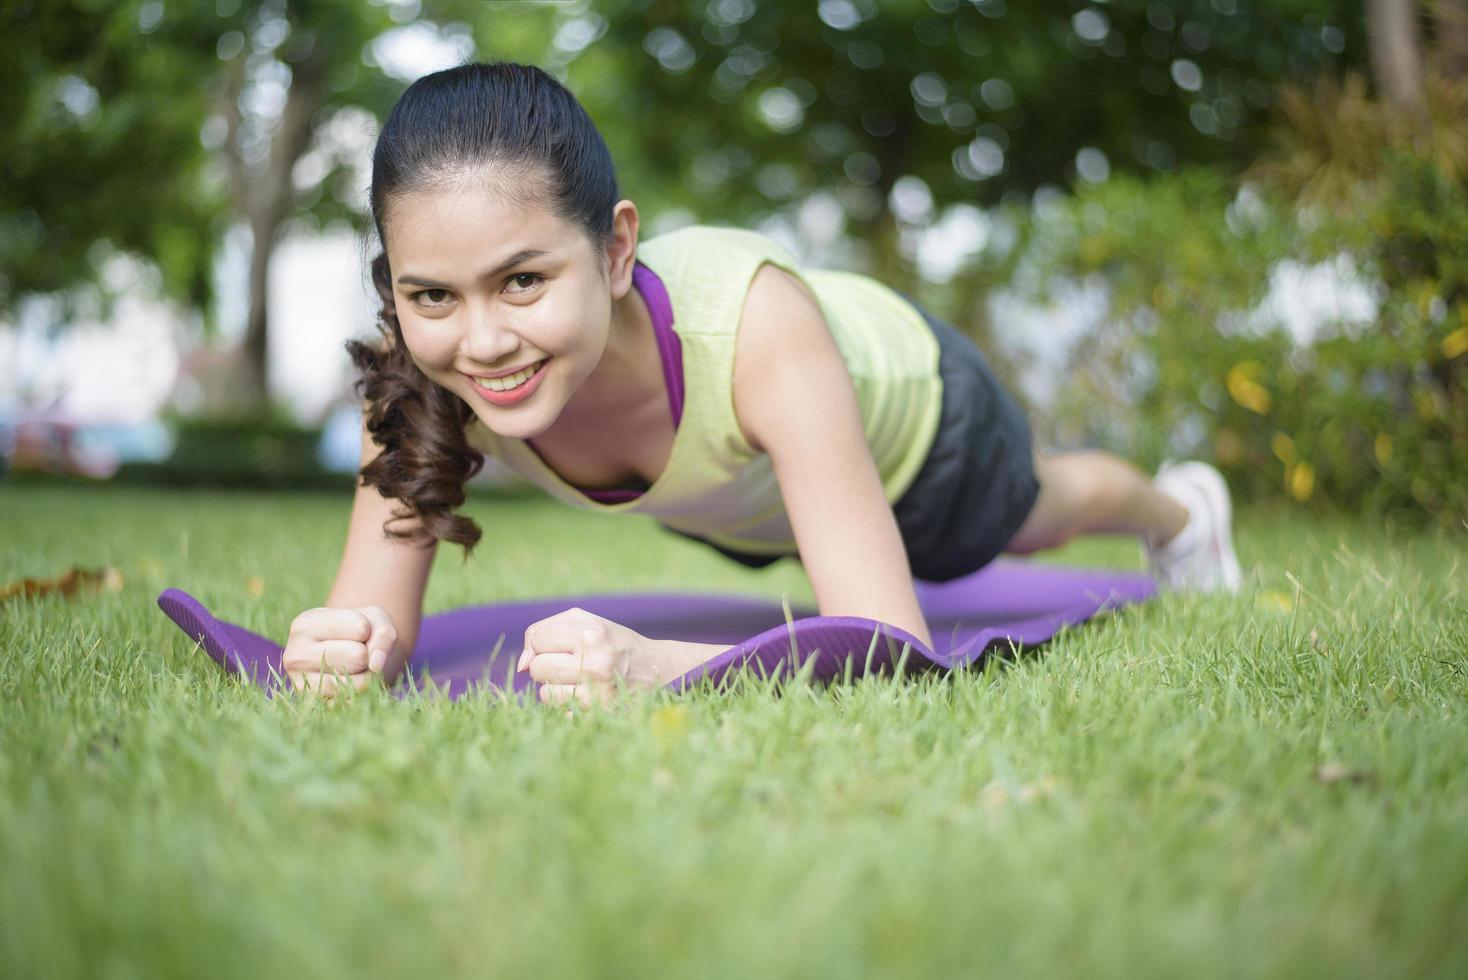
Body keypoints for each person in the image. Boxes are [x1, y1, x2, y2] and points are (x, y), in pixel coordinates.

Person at [282, 62, 1242, 705]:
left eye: (523, 280)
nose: (482, 341)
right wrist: (347, 651)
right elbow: (375, 623)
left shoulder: (756, 327)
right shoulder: (416, 383)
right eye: (433, 294)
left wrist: (659, 668)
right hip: (745, 498)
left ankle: (1181, 515)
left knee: (1046, 512)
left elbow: (887, 644)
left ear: (616, 248)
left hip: (923, 432)